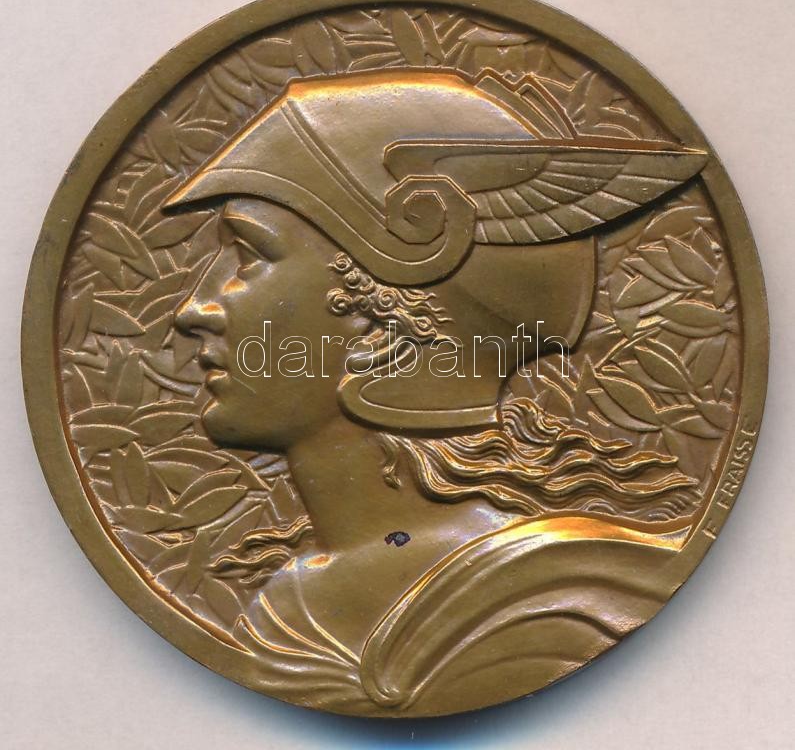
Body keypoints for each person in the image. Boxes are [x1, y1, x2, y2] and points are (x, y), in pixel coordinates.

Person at [167, 68, 706, 715]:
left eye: (249, 256)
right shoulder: (289, 600)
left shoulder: (555, 601)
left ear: (378, 309)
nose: (193, 309)